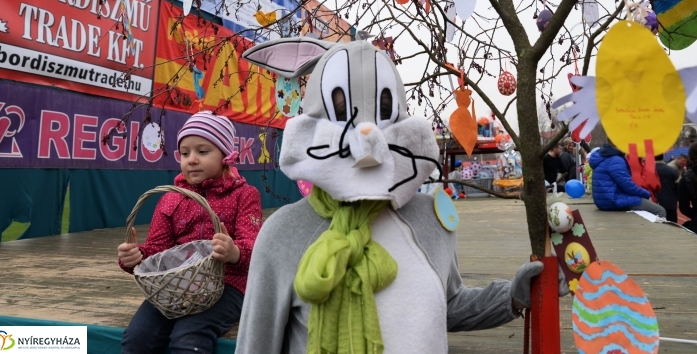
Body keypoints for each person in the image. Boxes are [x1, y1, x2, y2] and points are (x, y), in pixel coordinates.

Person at [236, 37, 569, 354]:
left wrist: (513, 296)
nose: (366, 136)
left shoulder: (430, 219)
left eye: (383, 108)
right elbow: (256, 343)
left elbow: (447, 306)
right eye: (340, 109)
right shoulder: (285, 232)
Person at [117, 112, 262, 354]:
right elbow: (157, 250)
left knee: (188, 337)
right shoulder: (170, 198)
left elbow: (254, 246)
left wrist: (234, 252)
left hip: (228, 285)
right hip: (175, 288)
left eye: (202, 152)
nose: (191, 160)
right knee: (138, 337)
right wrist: (137, 257)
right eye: (185, 153)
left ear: (226, 155)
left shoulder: (244, 195)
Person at [589, 140, 666, 217]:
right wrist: (647, 194)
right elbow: (627, 185)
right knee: (660, 210)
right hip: (613, 201)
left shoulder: (604, 156)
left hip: (603, 200)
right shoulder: (615, 159)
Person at [654, 154, 679, 223]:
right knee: (672, 225)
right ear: (663, 157)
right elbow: (678, 187)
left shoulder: (647, 170)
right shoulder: (672, 170)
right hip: (670, 203)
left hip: (654, 204)